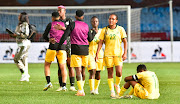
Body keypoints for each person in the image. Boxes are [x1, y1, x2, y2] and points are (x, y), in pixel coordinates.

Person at [58, 10, 96, 96]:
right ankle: (82, 89)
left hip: (76, 49)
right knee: (83, 70)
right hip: (85, 50)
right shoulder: (86, 26)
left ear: (75, 16)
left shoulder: (72, 24)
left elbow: (65, 35)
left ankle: (81, 90)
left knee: (78, 71)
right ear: (83, 16)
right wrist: (93, 33)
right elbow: (90, 39)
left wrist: (59, 45)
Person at [95, 13, 127, 97]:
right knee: (110, 73)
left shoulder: (120, 29)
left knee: (119, 72)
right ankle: (112, 91)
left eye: (113, 19)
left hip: (118, 54)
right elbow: (101, 42)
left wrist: (125, 52)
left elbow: (125, 41)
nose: (111, 20)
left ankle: (117, 84)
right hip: (108, 54)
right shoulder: (104, 30)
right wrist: (97, 53)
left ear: (116, 21)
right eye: (110, 19)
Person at [43, 12, 67, 91]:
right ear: (59, 17)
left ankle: (49, 82)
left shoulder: (50, 24)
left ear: (52, 17)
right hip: (62, 47)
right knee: (63, 67)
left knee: (47, 65)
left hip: (52, 47)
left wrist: (49, 39)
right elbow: (69, 33)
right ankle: (64, 86)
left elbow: (44, 36)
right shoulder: (63, 24)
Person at [55, 5, 76, 92]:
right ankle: (61, 85)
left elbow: (73, 32)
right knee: (60, 67)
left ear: (65, 11)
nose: (59, 12)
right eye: (58, 10)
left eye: (60, 10)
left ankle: (72, 85)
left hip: (69, 45)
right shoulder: (56, 21)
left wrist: (62, 28)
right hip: (60, 46)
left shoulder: (70, 20)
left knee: (70, 65)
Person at [10, 12, 31, 82]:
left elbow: (26, 34)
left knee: (16, 59)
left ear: (22, 17)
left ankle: (25, 73)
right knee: (24, 59)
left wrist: (17, 35)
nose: (18, 16)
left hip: (23, 44)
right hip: (21, 44)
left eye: (19, 15)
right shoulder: (20, 25)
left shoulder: (24, 24)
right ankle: (25, 76)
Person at [88, 16, 104, 95]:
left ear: (98, 22)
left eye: (96, 21)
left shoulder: (102, 31)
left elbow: (104, 42)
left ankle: (96, 89)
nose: (95, 23)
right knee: (92, 71)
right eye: (93, 21)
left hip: (99, 54)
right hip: (90, 54)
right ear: (91, 22)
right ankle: (91, 90)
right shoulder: (88, 32)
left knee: (98, 72)